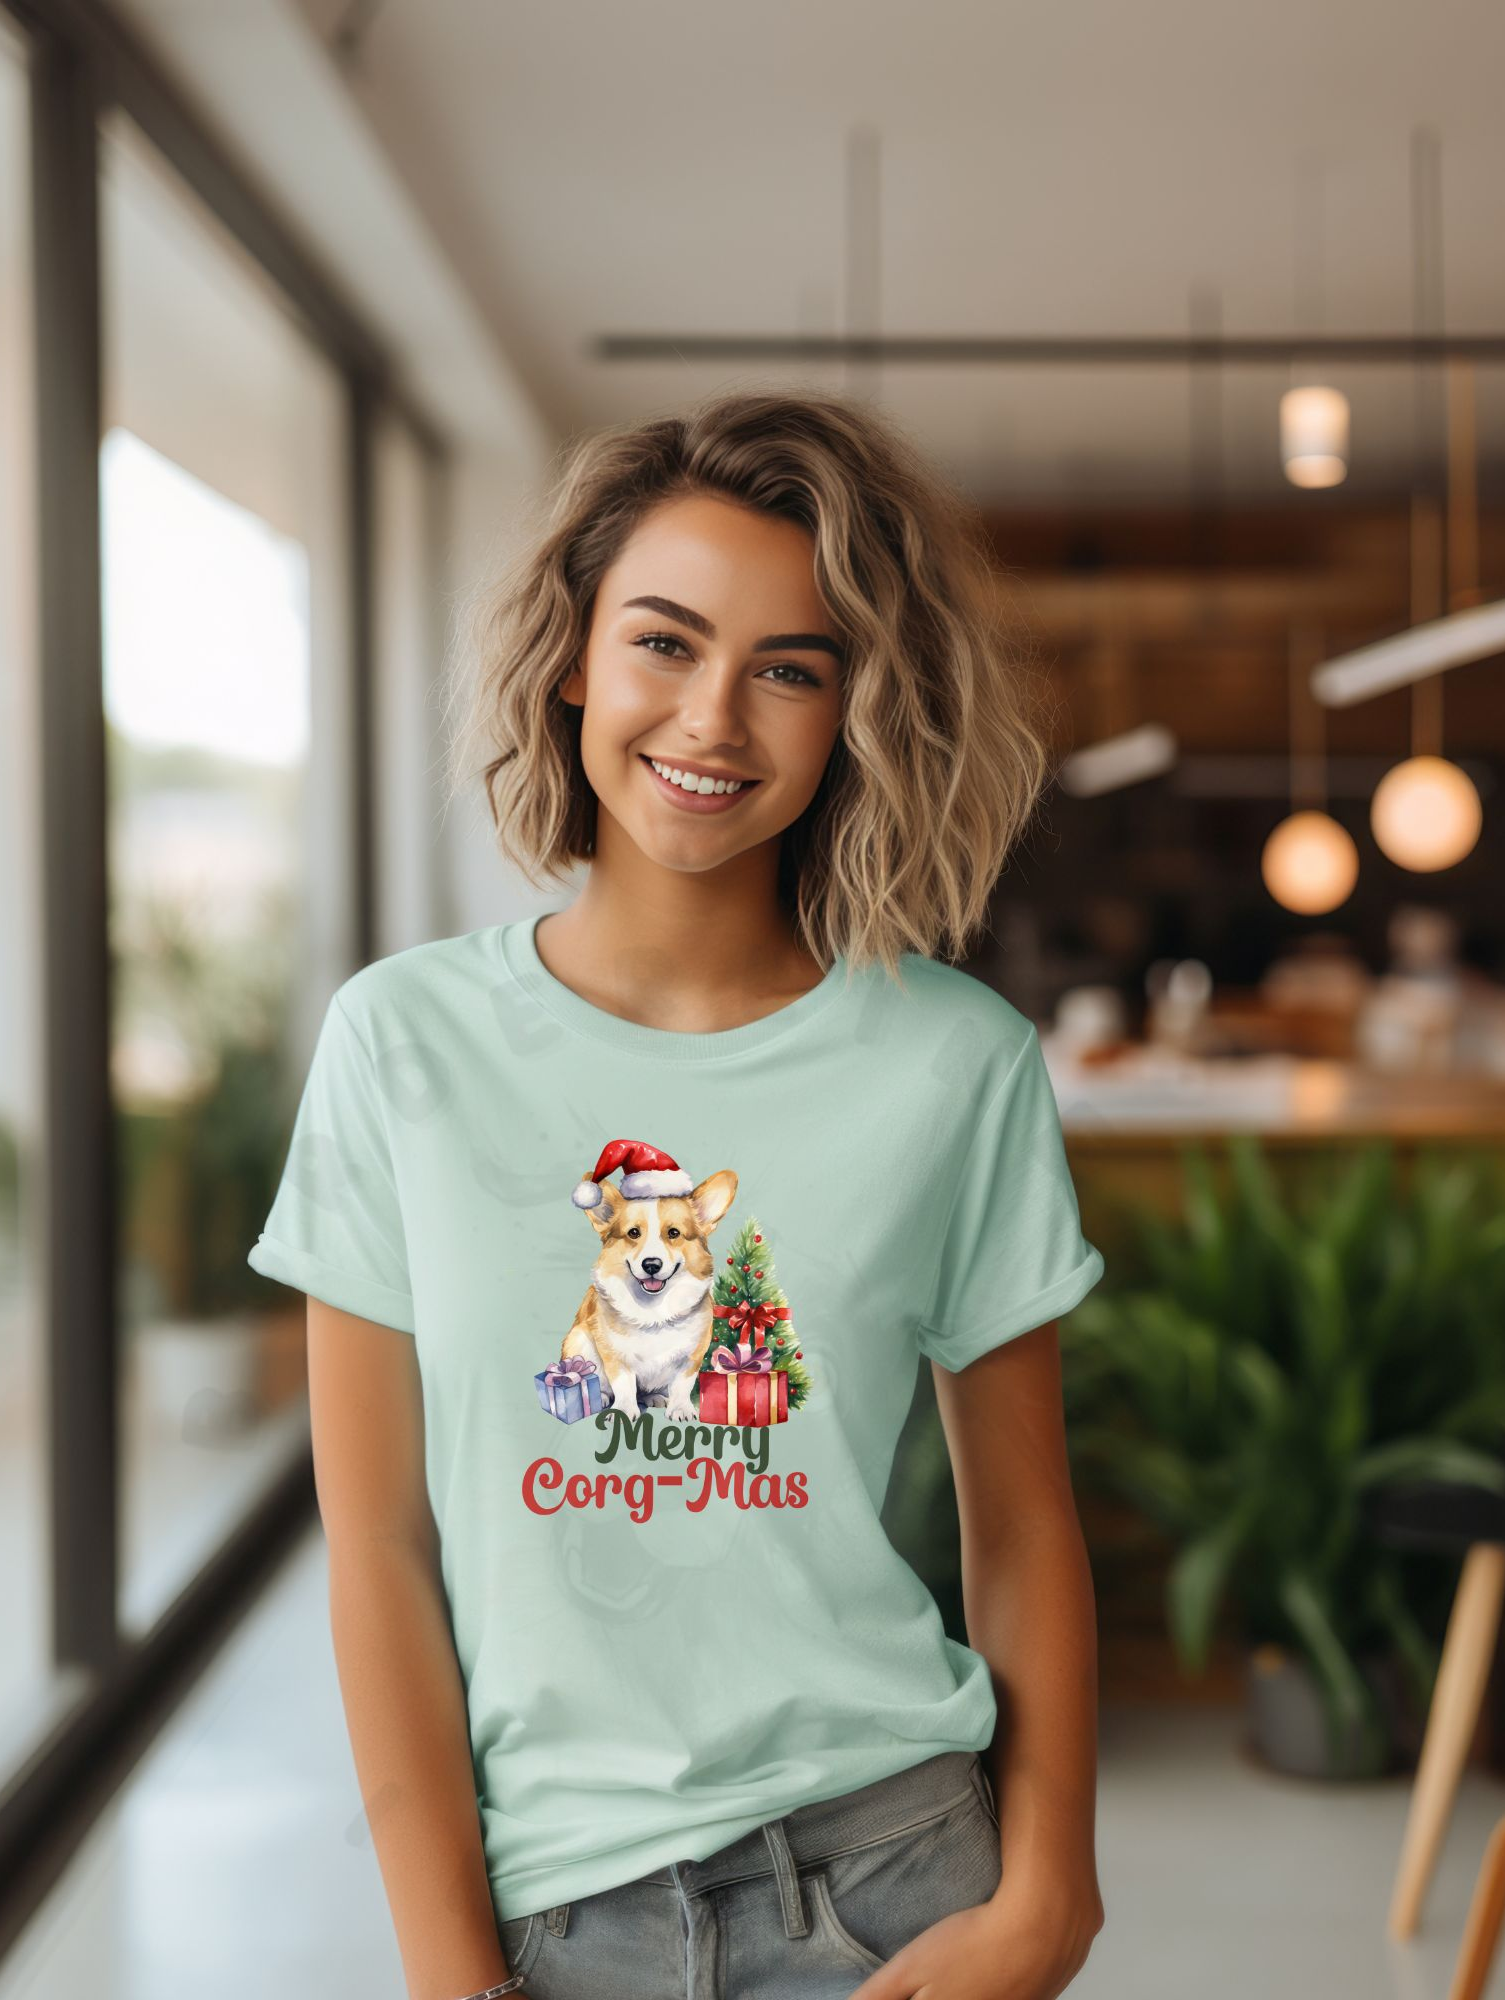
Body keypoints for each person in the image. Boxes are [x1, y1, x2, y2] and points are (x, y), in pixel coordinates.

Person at [248, 389, 1108, 2000]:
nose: (715, 718)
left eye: (791, 667)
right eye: (666, 642)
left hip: (897, 1878)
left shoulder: (956, 1063)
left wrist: (1052, 1890)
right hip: (551, 1906)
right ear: (573, 657)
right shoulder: (402, 1043)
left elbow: (1023, 1521)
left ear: (853, 711)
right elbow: (374, 1546)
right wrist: (451, 1973)